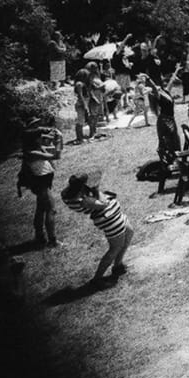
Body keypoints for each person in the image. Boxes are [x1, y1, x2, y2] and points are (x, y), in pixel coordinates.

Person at [60, 172, 133, 284]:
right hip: (111, 223)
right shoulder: (85, 200)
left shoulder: (76, 193)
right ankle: (97, 279)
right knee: (115, 248)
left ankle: (118, 265)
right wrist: (96, 190)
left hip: (117, 216)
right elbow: (104, 204)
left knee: (129, 233)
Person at [20, 118, 62, 247]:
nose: (41, 138)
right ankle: (52, 240)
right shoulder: (33, 152)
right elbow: (56, 155)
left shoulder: (34, 148)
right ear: (34, 140)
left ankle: (39, 237)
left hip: (42, 182)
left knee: (41, 210)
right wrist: (60, 141)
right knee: (51, 209)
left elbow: (48, 145)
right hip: (41, 184)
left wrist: (52, 136)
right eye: (39, 138)